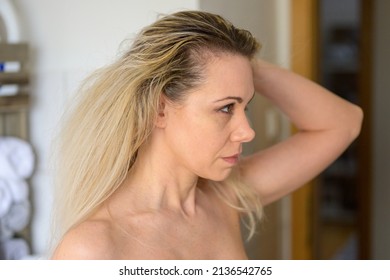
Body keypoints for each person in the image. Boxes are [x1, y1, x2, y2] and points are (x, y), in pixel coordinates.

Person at [50, 10, 363, 259]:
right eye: (226, 108)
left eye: (245, 107)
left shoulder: (226, 197)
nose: (247, 132)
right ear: (159, 110)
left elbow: (345, 122)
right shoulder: (92, 249)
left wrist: (241, 64)